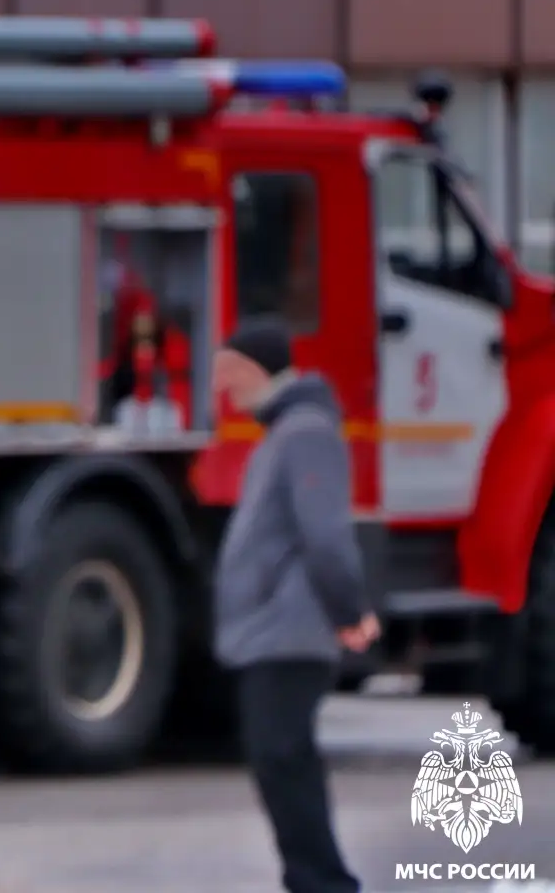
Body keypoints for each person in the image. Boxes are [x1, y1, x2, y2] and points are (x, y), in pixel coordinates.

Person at [212, 318, 378, 893]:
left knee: (282, 758)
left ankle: (323, 883)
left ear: (258, 369)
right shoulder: (286, 433)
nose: (223, 384)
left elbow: (326, 536)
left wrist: (348, 612)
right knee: (279, 761)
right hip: (271, 631)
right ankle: (313, 879)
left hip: (290, 631)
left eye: (230, 370)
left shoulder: (305, 433)